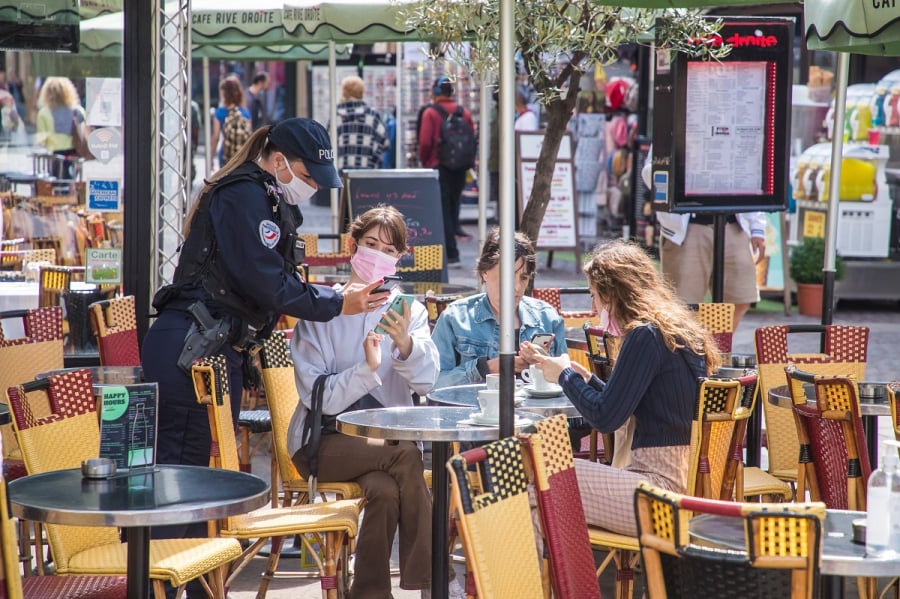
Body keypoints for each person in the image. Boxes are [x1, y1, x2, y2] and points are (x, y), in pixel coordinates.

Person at [142, 118, 388, 596]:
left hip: (212, 350)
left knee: (195, 480)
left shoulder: (262, 195)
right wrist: (338, 303)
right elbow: (266, 282)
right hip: (190, 350)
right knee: (179, 477)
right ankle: (167, 584)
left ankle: (188, 584)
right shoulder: (245, 195)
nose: (312, 188)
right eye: (309, 177)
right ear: (279, 162)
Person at [287, 205, 440, 599]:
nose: (377, 255)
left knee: (386, 491)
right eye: (370, 244)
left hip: (381, 446)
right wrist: (367, 370)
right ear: (352, 246)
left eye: (388, 250)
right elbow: (316, 396)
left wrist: (405, 344)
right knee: (406, 455)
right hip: (323, 440)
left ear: (400, 257)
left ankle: (369, 593)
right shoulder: (322, 309)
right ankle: (433, 581)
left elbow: (428, 380)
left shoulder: (409, 311)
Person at [520, 239, 721, 537]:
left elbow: (605, 418)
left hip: (659, 493)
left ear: (612, 293)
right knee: (543, 486)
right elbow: (642, 403)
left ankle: (541, 581)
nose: (593, 307)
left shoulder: (644, 335)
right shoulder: (673, 331)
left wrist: (564, 376)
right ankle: (556, 580)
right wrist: (588, 381)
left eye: (594, 296)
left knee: (539, 473)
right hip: (687, 484)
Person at [642, 150, 766, 329]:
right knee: (683, 304)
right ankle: (693, 350)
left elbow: (749, 172)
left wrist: (757, 227)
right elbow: (650, 173)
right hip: (688, 225)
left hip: (733, 222)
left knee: (741, 297)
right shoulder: (675, 123)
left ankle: (714, 347)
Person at [431, 227, 566, 389]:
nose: (516, 287)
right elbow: (434, 384)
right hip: (476, 412)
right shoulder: (456, 318)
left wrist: (544, 365)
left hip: (536, 412)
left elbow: (566, 381)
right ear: (484, 273)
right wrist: (485, 368)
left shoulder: (547, 318)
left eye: (524, 278)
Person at [417, 76, 476, 263]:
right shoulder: (464, 112)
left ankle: (450, 252)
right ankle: (451, 249)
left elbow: (425, 142)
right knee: (453, 206)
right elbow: (471, 139)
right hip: (460, 167)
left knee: (442, 209)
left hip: (438, 166)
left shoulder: (430, 113)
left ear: (435, 92)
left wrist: (426, 163)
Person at [35, 76, 86, 179]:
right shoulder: (78, 111)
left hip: (55, 156)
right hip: (74, 154)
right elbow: (84, 134)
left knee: (56, 185)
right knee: (72, 184)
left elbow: (42, 140)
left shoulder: (44, 113)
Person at [336, 75, 388, 171]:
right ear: (362, 92)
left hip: (340, 178)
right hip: (367, 178)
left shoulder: (335, 116)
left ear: (343, 92)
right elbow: (384, 143)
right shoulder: (373, 117)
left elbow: (327, 147)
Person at [210, 76, 251, 168]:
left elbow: (216, 137)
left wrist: (211, 157)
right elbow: (250, 137)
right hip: (242, 157)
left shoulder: (220, 112)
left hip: (226, 155)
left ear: (224, 93)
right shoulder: (245, 112)